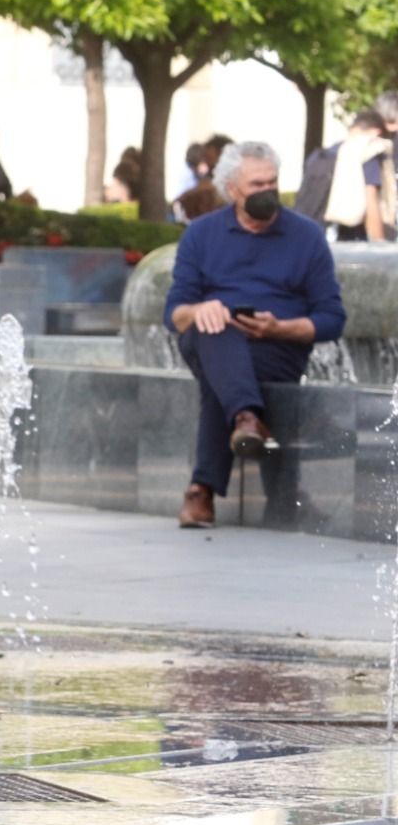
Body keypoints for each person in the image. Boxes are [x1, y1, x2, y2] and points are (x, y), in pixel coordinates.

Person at [164, 141, 345, 529]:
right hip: (210, 339)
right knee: (215, 325)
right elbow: (174, 314)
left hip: (276, 346)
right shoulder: (201, 236)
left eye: (273, 181)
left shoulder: (306, 236)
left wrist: (280, 327)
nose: (268, 191)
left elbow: (332, 319)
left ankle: (202, 490)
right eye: (257, 183)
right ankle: (248, 422)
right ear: (232, 189)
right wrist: (202, 310)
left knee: (224, 375)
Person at [323, 108, 393, 243]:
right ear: (377, 133)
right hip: (353, 241)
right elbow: (371, 199)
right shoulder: (368, 150)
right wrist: (380, 250)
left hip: (319, 238)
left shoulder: (323, 154)